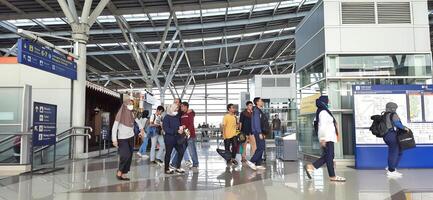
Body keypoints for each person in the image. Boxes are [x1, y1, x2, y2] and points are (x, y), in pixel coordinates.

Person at [304, 96, 346, 182]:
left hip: (329, 137)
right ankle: (331, 175)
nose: (329, 103)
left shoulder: (323, 111)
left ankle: (312, 167)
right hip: (327, 138)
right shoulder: (323, 112)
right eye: (328, 101)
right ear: (324, 102)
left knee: (329, 156)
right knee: (329, 156)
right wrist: (322, 138)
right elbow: (321, 126)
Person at [112, 99, 135, 181]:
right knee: (125, 155)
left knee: (130, 156)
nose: (131, 105)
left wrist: (142, 130)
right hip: (122, 138)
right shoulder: (120, 115)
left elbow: (135, 123)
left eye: (132, 104)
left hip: (131, 137)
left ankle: (124, 173)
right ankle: (120, 170)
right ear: (125, 105)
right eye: (129, 104)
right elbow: (114, 128)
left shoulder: (132, 114)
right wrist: (114, 139)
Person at [383, 102, 408, 178]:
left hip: (386, 136)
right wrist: (405, 128)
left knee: (396, 151)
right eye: (395, 108)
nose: (395, 109)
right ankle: (391, 171)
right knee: (394, 152)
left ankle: (391, 166)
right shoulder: (393, 114)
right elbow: (397, 124)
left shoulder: (384, 115)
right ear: (392, 108)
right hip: (392, 135)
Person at [172, 102, 199, 169]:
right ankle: (174, 163)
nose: (181, 108)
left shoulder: (190, 113)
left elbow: (191, 124)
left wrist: (188, 132)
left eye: (182, 106)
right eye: (181, 106)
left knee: (192, 151)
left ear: (186, 107)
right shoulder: (181, 114)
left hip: (190, 135)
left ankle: (195, 164)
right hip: (183, 135)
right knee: (180, 150)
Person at [162, 103, 186, 174]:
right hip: (169, 139)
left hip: (177, 139)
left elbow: (178, 126)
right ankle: (166, 169)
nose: (177, 109)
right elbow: (166, 129)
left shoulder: (176, 117)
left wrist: (181, 128)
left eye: (177, 108)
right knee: (168, 154)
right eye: (176, 108)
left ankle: (178, 167)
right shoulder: (166, 117)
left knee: (181, 151)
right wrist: (176, 131)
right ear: (171, 109)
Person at [246, 97, 267, 170]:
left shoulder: (258, 110)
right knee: (261, 147)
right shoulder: (256, 111)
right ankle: (251, 161)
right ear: (257, 102)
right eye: (261, 101)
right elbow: (256, 122)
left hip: (260, 132)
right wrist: (259, 132)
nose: (262, 102)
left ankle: (258, 164)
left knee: (260, 147)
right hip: (258, 132)